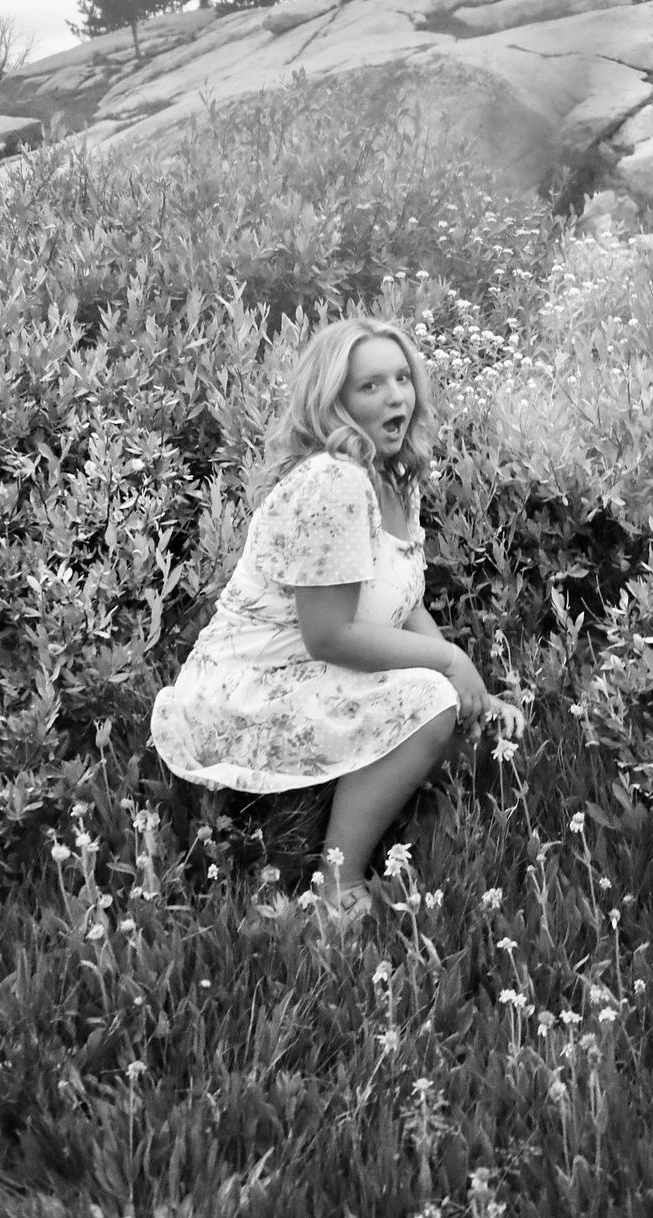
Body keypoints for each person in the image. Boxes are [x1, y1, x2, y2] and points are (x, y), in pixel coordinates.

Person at [151, 317, 524, 921]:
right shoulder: (334, 481)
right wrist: (449, 663)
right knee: (434, 700)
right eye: (370, 385)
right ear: (334, 403)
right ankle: (337, 883)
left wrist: (469, 686)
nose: (396, 396)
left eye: (402, 378)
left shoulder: (395, 476)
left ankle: (416, 829)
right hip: (251, 689)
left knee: (478, 723)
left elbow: (404, 602)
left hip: (316, 672)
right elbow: (327, 635)